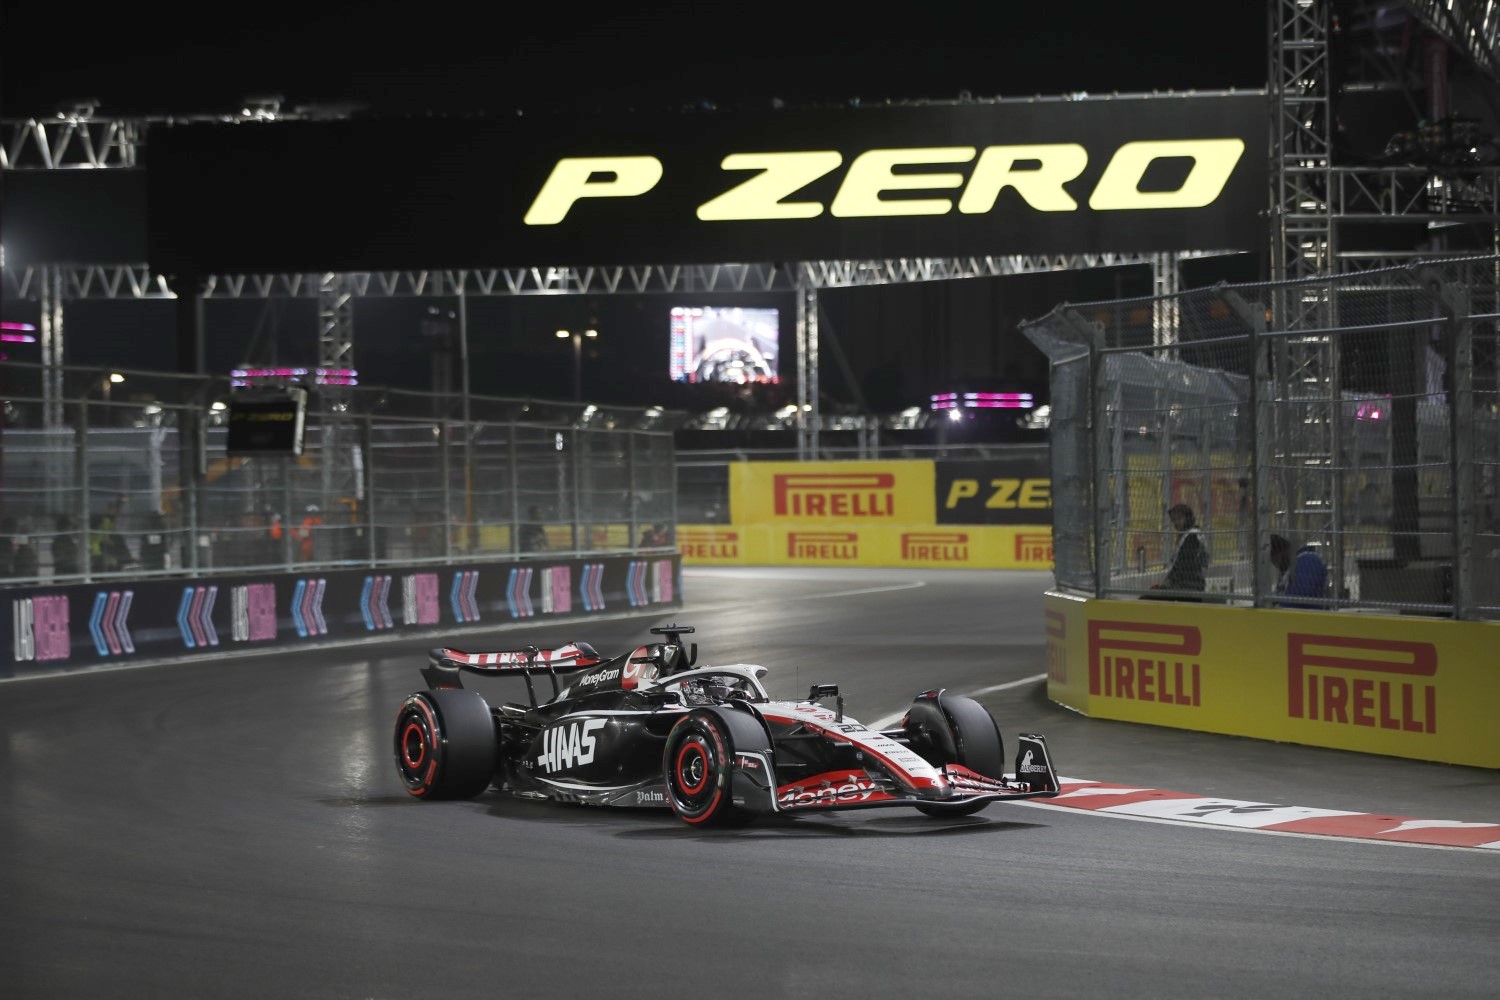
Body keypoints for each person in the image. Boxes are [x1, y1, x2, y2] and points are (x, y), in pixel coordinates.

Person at [1145, 503, 1207, 600]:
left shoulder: (1192, 536)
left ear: (1187, 518)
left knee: (1148, 599)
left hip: (1189, 585)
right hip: (1185, 584)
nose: (1176, 523)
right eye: (1174, 520)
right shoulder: (1187, 534)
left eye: (1179, 519)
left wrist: (1169, 581)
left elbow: (1183, 563)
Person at [1270, 534, 1329, 610]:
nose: (1275, 565)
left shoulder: (1307, 560)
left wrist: (1278, 604)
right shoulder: (1291, 568)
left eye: (1274, 560)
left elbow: (1302, 596)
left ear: (1279, 554)